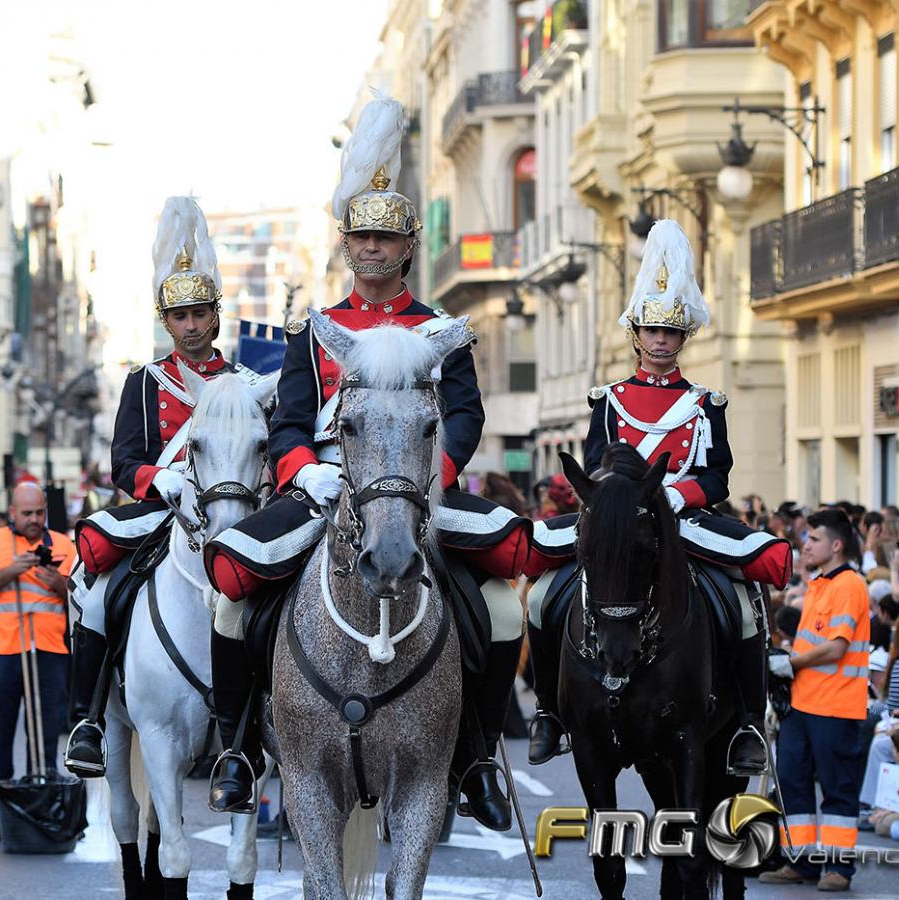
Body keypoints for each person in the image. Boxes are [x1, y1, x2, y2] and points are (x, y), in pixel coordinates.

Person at [202, 92, 531, 831]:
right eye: (362, 238)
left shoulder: (438, 329)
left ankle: (475, 759)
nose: (373, 249)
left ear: (408, 246)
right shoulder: (311, 331)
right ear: (348, 246)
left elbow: (467, 415)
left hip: (415, 489)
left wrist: (425, 475)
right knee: (232, 597)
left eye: (386, 238)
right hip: (324, 486)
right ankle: (236, 752)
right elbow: (287, 424)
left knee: (505, 602)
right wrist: (302, 470)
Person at [523, 219, 790, 776]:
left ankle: (744, 721)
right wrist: (625, 496)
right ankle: (550, 710)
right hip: (620, 523)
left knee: (742, 604)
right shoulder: (609, 399)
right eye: (652, 331)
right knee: (542, 595)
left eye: (671, 334)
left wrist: (674, 493)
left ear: (682, 338)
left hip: (684, 521)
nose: (662, 341)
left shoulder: (705, 402)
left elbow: (718, 477)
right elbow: (595, 465)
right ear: (637, 335)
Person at [63, 196, 264, 777]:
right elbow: (122, 462)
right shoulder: (144, 382)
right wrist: (162, 478)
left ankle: (275, 718)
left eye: (201, 313)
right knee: (99, 588)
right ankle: (88, 719)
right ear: (166, 322)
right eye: (181, 317)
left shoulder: (246, 384)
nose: (193, 326)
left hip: (237, 517)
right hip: (163, 515)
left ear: (216, 315)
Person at [759, 508, 871, 892]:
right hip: (803, 704)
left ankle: (839, 869)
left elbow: (837, 647)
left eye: (814, 539)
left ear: (836, 545)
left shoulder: (849, 585)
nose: (805, 544)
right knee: (793, 784)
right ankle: (801, 862)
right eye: (806, 538)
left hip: (836, 707)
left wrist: (790, 662)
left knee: (838, 789)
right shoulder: (819, 584)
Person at [0, 482, 76, 843]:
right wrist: (11, 570)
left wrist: (59, 583)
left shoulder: (63, 544)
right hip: (1, 651)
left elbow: (82, 595)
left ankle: (40, 808)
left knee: (43, 734)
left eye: (39, 513)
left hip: (48, 651)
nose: (33, 520)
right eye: (26, 513)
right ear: (12, 512)